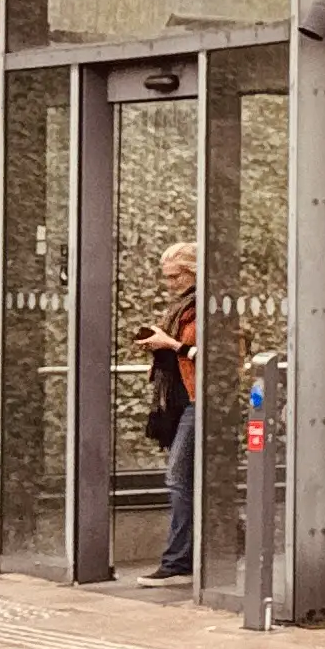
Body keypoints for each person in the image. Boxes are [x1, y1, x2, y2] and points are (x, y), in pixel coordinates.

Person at [138, 243, 199, 582]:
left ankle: (178, 561)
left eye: (176, 276)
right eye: (168, 277)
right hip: (179, 400)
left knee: (178, 477)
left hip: (198, 400)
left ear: (194, 272)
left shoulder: (208, 307)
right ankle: (187, 557)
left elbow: (219, 354)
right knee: (186, 478)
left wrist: (172, 345)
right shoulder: (180, 309)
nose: (171, 283)